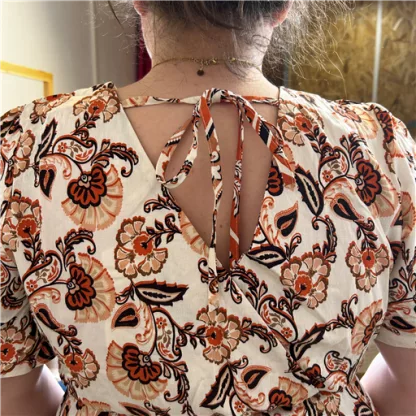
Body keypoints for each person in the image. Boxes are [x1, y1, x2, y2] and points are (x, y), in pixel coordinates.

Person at [0, 0, 415, 415]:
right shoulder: (376, 149)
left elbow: (14, 395)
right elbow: (409, 385)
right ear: (282, 7)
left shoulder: (27, 148)